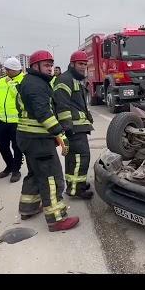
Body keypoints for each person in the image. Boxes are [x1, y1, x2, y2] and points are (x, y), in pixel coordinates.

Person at [16, 49, 79, 231]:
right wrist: (61, 135)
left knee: (35, 173)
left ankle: (28, 208)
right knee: (51, 178)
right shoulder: (36, 85)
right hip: (38, 140)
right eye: (46, 65)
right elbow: (43, 113)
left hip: (28, 138)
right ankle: (57, 219)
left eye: (51, 65)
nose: (50, 68)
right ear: (35, 66)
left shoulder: (32, 81)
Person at [54, 50, 94, 200]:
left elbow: (78, 104)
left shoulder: (74, 79)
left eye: (85, 64)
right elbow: (62, 105)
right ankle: (77, 189)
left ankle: (76, 185)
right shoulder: (65, 79)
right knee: (80, 158)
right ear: (72, 64)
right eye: (80, 64)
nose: (83, 67)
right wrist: (67, 128)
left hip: (78, 127)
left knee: (74, 158)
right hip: (74, 128)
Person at [0, 57, 25, 183]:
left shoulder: (24, 80)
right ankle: (9, 165)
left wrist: (12, 84)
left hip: (17, 121)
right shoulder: (1, 81)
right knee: (1, 144)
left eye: (8, 69)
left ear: (15, 70)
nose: (6, 71)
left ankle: (16, 170)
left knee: (17, 147)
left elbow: (20, 97)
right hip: (1, 120)